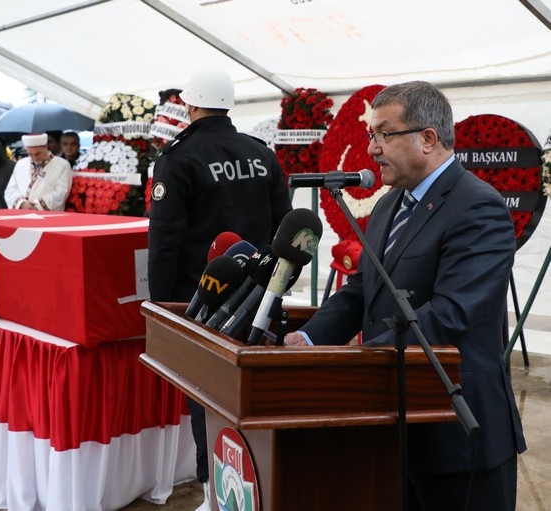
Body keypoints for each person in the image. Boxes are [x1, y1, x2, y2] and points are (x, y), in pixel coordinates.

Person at [284, 81, 526, 511]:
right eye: (370, 135)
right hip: (394, 430)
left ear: (428, 139)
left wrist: (354, 364)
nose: (372, 149)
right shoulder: (388, 205)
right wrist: (308, 341)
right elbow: (362, 289)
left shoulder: (479, 207)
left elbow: (449, 315)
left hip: (456, 438)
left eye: (382, 134)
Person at [147, 67, 292, 511]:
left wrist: (160, 306)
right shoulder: (260, 154)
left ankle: (217, 492)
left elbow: (165, 239)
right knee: (255, 396)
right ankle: (260, 486)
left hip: (203, 300)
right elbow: (284, 228)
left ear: (189, 105)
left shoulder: (179, 156)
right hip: (260, 298)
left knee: (206, 397)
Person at [4, 133, 72, 211]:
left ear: (46, 147)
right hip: (22, 213)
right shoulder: (21, 164)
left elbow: (61, 193)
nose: (34, 157)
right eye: (30, 154)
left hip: (49, 216)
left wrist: (37, 206)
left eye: (38, 153)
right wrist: (22, 203)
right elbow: (10, 190)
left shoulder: (62, 165)